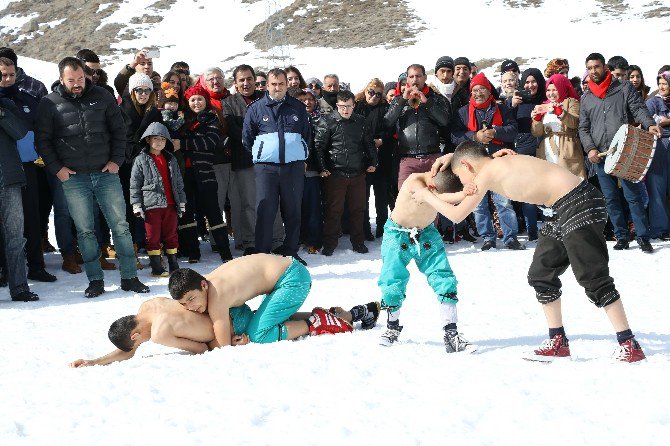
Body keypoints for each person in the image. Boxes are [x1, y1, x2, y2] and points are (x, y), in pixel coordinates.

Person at [426, 142, 647, 362]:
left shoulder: (489, 170)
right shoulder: (494, 162)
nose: (462, 182)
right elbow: (473, 158)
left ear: (466, 165)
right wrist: (451, 156)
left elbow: (457, 215)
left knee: (592, 277)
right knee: (541, 274)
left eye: (459, 175)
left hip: (580, 203)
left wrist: (425, 196)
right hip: (563, 208)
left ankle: (629, 343)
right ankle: (558, 341)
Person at [35, 57, 149, 298]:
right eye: (71, 80)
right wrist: (58, 169)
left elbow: (119, 130)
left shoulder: (102, 96)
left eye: (80, 79)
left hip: (105, 173)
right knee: (85, 230)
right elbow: (43, 140)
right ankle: (95, 280)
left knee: (120, 226)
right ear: (61, 79)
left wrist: (116, 161)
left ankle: (129, 277)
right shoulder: (49, 103)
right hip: (74, 178)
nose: (77, 84)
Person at [69, 292, 379, 367]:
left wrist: (227, 342)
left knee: (284, 327)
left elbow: (204, 348)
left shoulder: (160, 332)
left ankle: (341, 320)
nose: (137, 347)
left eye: (135, 344)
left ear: (134, 335)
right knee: (273, 315)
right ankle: (347, 311)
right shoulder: (147, 306)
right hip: (231, 309)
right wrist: (95, 361)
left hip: (233, 325)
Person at [169, 254, 380, 346]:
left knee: (258, 334)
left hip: (293, 279)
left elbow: (224, 345)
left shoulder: (216, 295)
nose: (192, 308)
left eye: (192, 299)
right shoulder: (208, 284)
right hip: (288, 274)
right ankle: (345, 314)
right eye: (184, 305)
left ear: (203, 285)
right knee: (268, 320)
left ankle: (315, 323)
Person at [375, 161, 476, 352]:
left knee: (443, 277)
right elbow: (437, 197)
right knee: (392, 280)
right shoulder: (415, 181)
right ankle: (392, 327)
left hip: (427, 234)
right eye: (433, 187)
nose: (433, 189)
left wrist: (466, 191)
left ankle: (451, 333)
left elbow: (446, 194)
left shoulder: (440, 182)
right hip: (397, 235)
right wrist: (462, 195)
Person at [578, 53, 662, 252]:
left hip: (625, 150)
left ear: (604, 67)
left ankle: (642, 237)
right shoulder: (587, 97)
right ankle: (621, 236)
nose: (593, 71)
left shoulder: (623, 88)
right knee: (610, 198)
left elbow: (638, 108)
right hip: (600, 155)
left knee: (632, 196)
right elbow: (583, 127)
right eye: (589, 68)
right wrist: (590, 148)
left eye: (596, 67)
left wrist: (650, 124)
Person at [242, 68, 311, 264]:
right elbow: (247, 139)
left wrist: (300, 156)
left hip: (293, 167)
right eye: (273, 84)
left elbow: (307, 135)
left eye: (281, 84)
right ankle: (262, 254)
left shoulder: (297, 107)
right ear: (266, 85)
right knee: (265, 210)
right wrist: (264, 153)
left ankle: (291, 251)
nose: (277, 87)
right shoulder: (256, 108)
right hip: (266, 169)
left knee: (293, 210)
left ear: (287, 85)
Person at [0, 56, 57, 282]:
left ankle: (35, 265)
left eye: (11, 75)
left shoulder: (26, 100)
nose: (7, 79)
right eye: (2, 75)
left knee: (31, 217)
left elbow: (37, 129)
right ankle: (5, 270)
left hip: (25, 167)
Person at [451, 72, 522, 250]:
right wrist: (475, 136)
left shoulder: (502, 108)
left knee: (503, 201)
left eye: (482, 88)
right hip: (474, 163)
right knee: (478, 202)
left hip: (498, 161)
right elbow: (454, 136)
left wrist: (496, 132)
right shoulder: (462, 112)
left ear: (489, 91)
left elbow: (513, 129)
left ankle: (510, 237)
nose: (478, 93)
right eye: (475, 89)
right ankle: (488, 237)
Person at [173, 83, 232, 263]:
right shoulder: (183, 122)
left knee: (213, 211)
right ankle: (193, 251)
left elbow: (210, 143)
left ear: (206, 101)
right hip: (186, 174)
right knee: (188, 212)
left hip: (205, 172)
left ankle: (225, 251)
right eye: (193, 100)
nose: (196, 103)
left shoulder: (212, 119)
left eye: (200, 99)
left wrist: (184, 144)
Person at [315, 90, 377, 256]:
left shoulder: (361, 122)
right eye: (342, 107)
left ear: (353, 105)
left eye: (348, 106)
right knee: (333, 211)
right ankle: (329, 244)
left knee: (358, 210)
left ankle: (358, 242)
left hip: (357, 173)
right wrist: (322, 167)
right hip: (335, 173)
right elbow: (319, 146)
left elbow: (369, 144)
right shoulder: (328, 121)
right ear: (337, 106)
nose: (345, 110)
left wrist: (373, 162)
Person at [0, 75, 39, 301]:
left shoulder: (8, 105)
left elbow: (21, 133)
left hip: (9, 179)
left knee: (15, 236)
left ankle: (19, 288)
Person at [130, 122, 186, 277]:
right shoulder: (140, 160)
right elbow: (134, 184)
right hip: (151, 206)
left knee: (171, 235)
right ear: (148, 140)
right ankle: (156, 266)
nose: (159, 142)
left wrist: (181, 201)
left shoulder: (171, 159)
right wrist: (136, 204)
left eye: (162, 139)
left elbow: (178, 182)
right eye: (155, 138)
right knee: (152, 236)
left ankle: (174, 264)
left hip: (170, 204)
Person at [383, 64, 450, 188]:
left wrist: (426, 102)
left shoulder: (435, 98)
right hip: (407, 159)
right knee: (407, 199)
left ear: (425, 77)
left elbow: (444, 121)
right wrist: (403, 100)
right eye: (411, 76)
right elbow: (387, 122)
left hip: (432, 157)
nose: (415, 80)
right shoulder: (398, 100)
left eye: (418, 76)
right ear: (407, 79)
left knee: (437, 198)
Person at [508, 68, 546, 241]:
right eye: (527, 82)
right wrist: (511, 106)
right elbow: (507, 124)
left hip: (545, 149)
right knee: (528, 192)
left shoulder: (547, 98)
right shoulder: (516, 102)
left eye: (534, 81)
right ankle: (532, 231)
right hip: (524, 150)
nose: (530, 85)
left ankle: (551, 225)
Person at [354, 78, 390, 239]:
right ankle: (365, 229)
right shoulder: (357, 107)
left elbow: (391, 129)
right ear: (366, 90)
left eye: (378, 94)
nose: (374, 96)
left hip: (382, 157)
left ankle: (382, 228)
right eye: (371, 92)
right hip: (363, 158)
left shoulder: (385, 108)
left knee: (381, 197)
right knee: (363, 198)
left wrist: (382, 140)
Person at [531, 73, 586, 179]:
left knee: (570, 181)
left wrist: (561, 113)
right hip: (547, 148)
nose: (551, 93)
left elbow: (574, 123)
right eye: (548, 90)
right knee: (551, 182)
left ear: (562, 87)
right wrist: (536, 120)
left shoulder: (571, 102)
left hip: (566, 146)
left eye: (554, 90)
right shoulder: (544, 106)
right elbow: (536, 133)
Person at [645, 71, 670, 240]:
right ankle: (660, 228)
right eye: (659, 83)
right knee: (657, 189)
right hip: (659, 148)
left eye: (665, 83)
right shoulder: (652, 101)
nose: (661, 87)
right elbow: (651, 121)